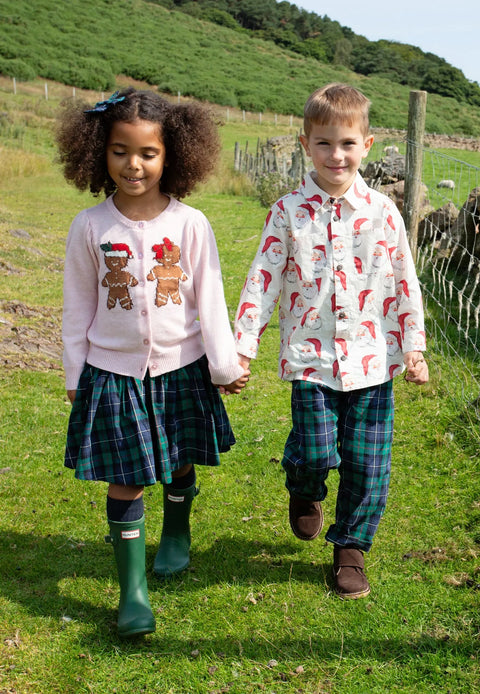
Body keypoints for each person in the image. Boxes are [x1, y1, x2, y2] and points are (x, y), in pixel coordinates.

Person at [57, 88, 249, 637]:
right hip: (112, 373)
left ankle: (177, 533)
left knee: (179, 460)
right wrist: (76, 374)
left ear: (172, 156)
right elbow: (78, 307)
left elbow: (209, 299)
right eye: (120, 151)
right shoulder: (89, 227)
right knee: (126, 478)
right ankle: (133, 592)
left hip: (181, 367)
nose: (133, 165)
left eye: (147, 153)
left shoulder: (191, 224)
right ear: (100, 151)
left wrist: (223, 364)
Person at [234, 83, 428, 600]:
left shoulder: (384, 212)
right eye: (324, 143)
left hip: (372, 360)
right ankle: (304, 485)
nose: (335, 155)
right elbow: (263, 277)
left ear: (366, 144)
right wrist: (242, 346)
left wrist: (414, 344)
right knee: (317, 448)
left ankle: (350, 548)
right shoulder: (287, 211)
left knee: (368, 461)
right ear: (306, 144)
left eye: (346, 143)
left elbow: (404, 278)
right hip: (310, 357)